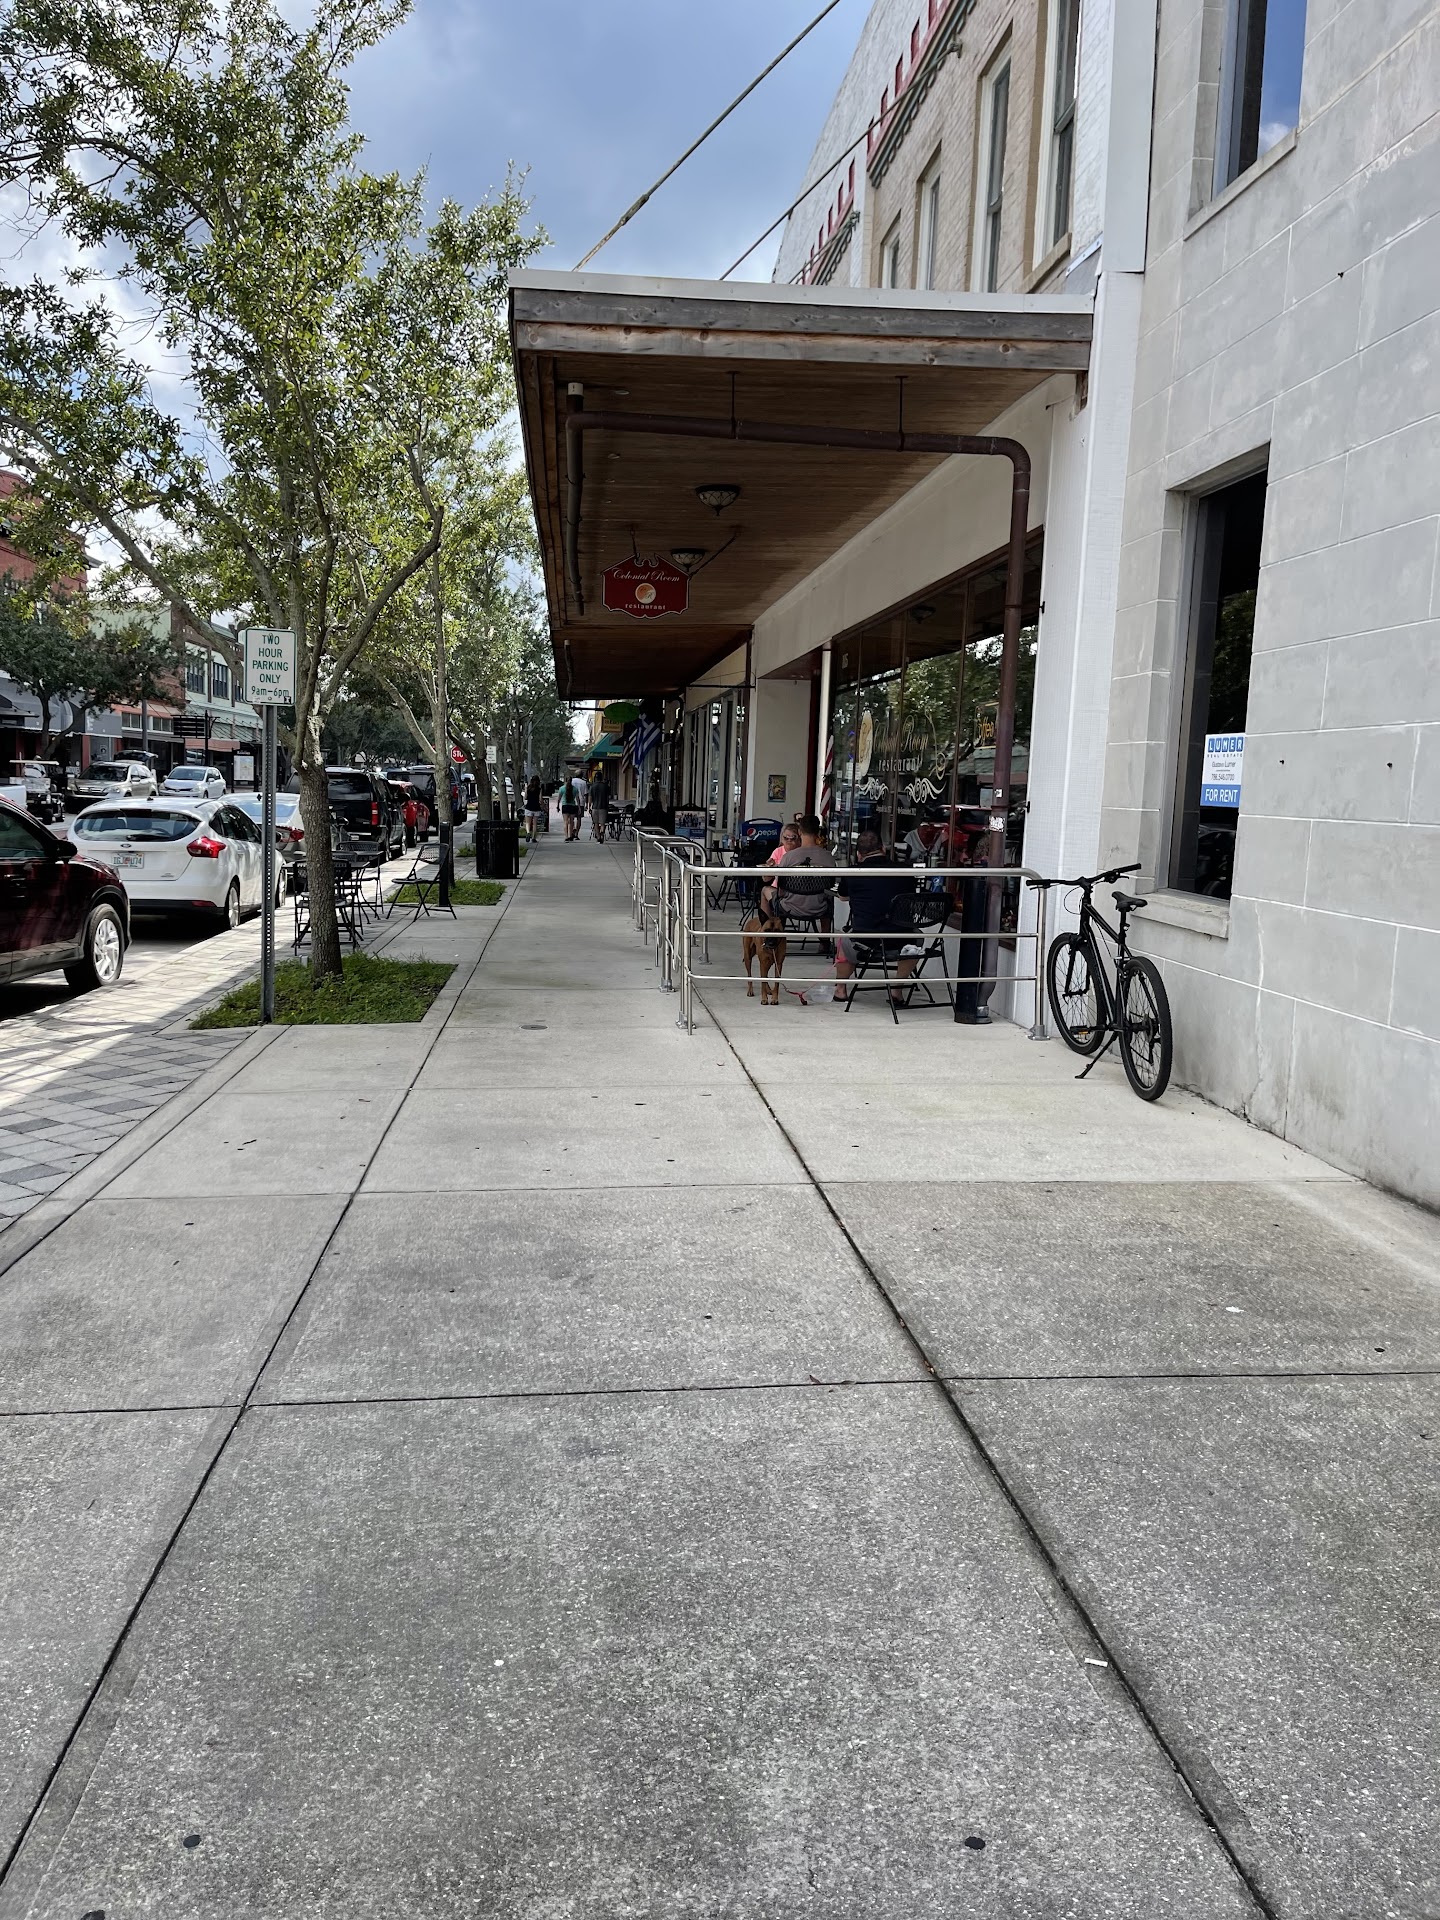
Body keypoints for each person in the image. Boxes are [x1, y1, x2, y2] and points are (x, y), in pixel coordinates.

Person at [834, 829, 918, 1004]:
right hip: (901, 938)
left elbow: (842, 897)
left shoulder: (853, 872)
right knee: (917, 939)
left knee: (845, 941)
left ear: (859, 854)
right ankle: (897, 989)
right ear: (883, 849)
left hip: (865, 939)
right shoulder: (905, 870)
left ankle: (840, 989)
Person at [761, 813, 834, 951]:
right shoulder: (828, 857)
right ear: (818, 832)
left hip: (790, 906)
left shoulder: (789, 857)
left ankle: (770, 934)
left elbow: (779, 888)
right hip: (820, 907)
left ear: (800, 832)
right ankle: (824, 943)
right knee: (828, 900)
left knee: (765, 890)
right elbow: (832, 886)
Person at [588, 764, 611, 841]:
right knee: (603, 823)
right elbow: (608, 797)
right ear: (601, 778)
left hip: (595, 807)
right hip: (603, 807)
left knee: (596, 823)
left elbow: (590, 798)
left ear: (595, 778)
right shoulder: (605, 786)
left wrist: (589, 807)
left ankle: (598, 837)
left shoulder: (592, 787)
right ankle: (602, 833)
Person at [561, 774, 581, 840]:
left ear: (565, 780)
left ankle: (566, 836)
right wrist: (579, 807)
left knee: (565, 822)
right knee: (571, 821)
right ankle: (570, 835)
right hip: (572, 806)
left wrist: (557, 805)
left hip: (565, 806)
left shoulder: (562, 788)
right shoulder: (575, 789)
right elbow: (577, 799)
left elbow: (559, 798)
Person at [524, 773, 543, 838]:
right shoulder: (539, 789)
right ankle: (533, 837)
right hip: (536, 807)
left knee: (527, 822)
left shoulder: (528, 788)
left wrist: (526, 789)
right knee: (535, 824)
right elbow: (540, 799)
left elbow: (525, 797)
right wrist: (543, 806)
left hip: (529, 806)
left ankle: (528, 832)